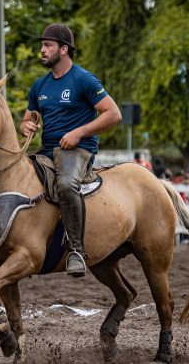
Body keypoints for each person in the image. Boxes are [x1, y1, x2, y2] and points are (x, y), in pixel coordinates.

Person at [20, 22, 122, 276]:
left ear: (64, 49)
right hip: (47, 149)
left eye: (47, 45)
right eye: (42, 45)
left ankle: (76, 250)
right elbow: (28, 118)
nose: (42, 50)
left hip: (78, 151)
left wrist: (79, 133)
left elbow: (114, 114)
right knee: (19, 180)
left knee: (66, 185)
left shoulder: (83, 79)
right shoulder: (39, 86)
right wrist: (26, 126)